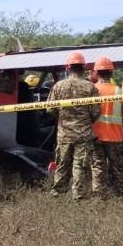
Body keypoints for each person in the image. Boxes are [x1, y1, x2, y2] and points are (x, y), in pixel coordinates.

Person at [47, 52, 100, 200]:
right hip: (83, 135)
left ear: (68, 68)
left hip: (64, 134)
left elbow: (50, 109)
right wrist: (84, 121)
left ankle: (57, 194)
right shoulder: (90, 87)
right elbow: (96, 112)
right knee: (80, 166)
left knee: (62, 164)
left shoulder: (58, 86)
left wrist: (63, 118)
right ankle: (79, 196)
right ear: (83, 68)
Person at [90, 56, 123, 196]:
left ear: (96, 72)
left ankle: (100, 196)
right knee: (118, 167)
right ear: (112, 72)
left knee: (98, 167)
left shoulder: (92, 90)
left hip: (96, 137)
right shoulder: (120, 91)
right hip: (115, 137)